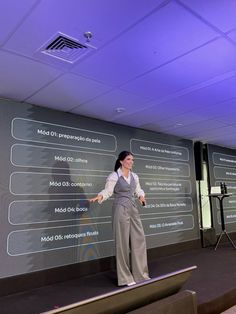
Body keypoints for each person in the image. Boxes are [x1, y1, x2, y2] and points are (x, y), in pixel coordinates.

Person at [90, 151, 150, 286]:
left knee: (139, 240)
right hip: (120, 209)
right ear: (121, 161)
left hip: (133, 209)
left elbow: (138, 190)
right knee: (122, 243)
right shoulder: (114, 176)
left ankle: (141, 275)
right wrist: (99, 197)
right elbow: (108, 191)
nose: (131, 162)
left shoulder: (135, 176)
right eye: (128, 159)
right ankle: (126, 278)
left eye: (132, 160)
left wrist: (141, 197)